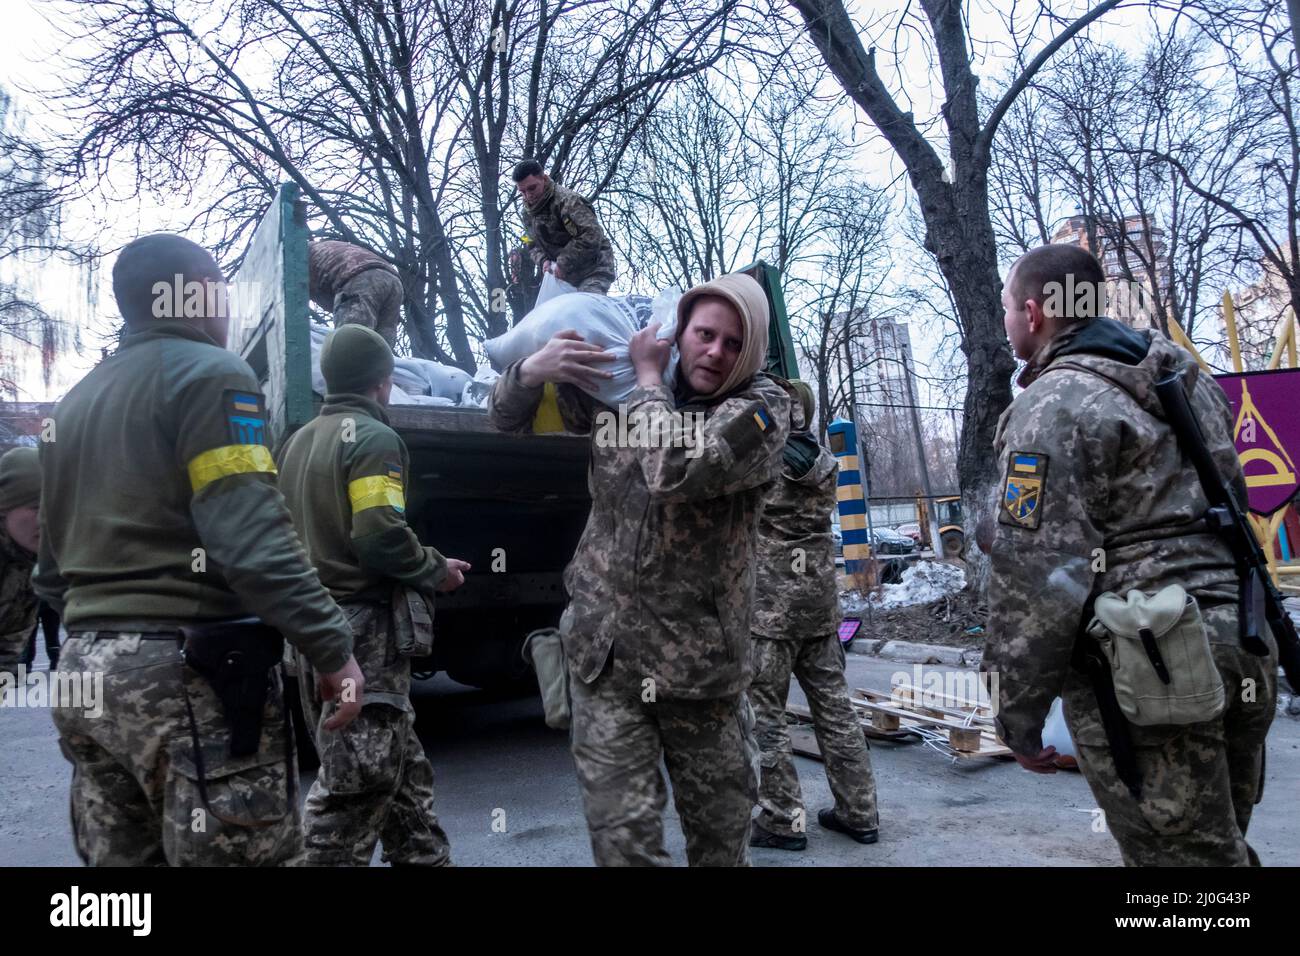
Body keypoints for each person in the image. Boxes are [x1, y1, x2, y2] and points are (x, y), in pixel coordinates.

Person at [36, 233, 365, 867]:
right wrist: (332, 648)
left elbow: (50, 570)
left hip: (82, 668)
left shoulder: (72, 405)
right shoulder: (214, 375)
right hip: (183, 672)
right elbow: (251, 537)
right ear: (196, 293)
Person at [982, 243, 1276, 866]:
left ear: (1032, 313)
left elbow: (1036, 574)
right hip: (1241, 639)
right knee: (1216, 850)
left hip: (1153, 664)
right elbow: (1236, 494)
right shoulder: (1186, 380)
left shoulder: (1050, 405)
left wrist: (1017, 711)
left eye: (1008, 308)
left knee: (1179, 868)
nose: (1006, 321)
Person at [489, 272, 789, 866]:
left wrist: (649, 380)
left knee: (720, 845)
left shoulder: (761, 410)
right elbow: (506, 420)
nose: (714, 352)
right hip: (607, 661)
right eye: (704, 334)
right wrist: (530, 372)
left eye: (733, 343)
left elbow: (674, 470)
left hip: (702, 674)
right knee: (623, 845)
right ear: (681, 333)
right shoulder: (622, 390)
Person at [277, 323, 470, 867]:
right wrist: (435, 569)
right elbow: (379, 535)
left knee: (401, 776)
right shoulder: (374, 439)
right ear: (384, 382)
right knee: (356, 784)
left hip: (313, 625)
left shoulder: (296, 443)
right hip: (360, 634)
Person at [748, 380, 880, 851]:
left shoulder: (763, 459)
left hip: (769, 611)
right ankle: (860, 813)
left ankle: (783, 820)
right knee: (836, 710)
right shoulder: (825, 461)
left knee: (765, 716)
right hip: (821, 607)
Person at [512, 160, 616, 295]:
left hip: (593, 268)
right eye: (522, 191)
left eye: (532, 188)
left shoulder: (568, 201)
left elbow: (591, 235)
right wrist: (543, 260)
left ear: (543, 179)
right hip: (562, 276)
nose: (528, 195)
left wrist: (563, 263)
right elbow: (529, 242)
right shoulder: (527, 214)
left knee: (584, 309)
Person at [308, 239, 404, 347]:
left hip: (361, 278)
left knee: (351, 342)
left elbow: (295, 302)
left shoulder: (298, 257)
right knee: (383, 347)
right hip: (393, 281)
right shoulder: (324, 247)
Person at [0, 447, 41, 683]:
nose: (45, 518)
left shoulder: (30, 557)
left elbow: (12, 639)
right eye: (35, 507)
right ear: (5, 507)